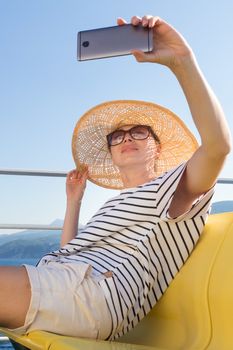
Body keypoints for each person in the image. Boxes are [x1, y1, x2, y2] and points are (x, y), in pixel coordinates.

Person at [0, 15, 231, 341]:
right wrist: (74, 202)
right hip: (66, 282)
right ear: (111, 153)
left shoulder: (168, 192)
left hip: (95, 297)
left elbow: (218, 147)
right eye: (117, 136)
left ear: (157, 146)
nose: (126, 139)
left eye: (139, 132)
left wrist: (182, 61)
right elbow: (73, 252)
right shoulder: (117, 205)